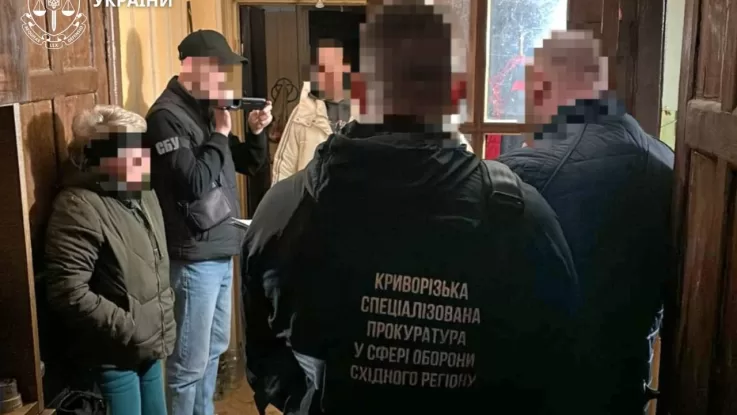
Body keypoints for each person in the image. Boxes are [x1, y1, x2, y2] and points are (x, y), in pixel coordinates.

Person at [241, 2, 580, 415]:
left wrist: (311, 401)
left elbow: (265, 363)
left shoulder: (284, 211)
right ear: (457, 93)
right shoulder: (521, 217)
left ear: (360, 90)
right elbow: (558, 371)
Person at [497, 30, 675, 414]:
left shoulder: (527, 173)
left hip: (543, 392)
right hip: (626, 388)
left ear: (545, 88)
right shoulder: (668, 161)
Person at [143, 29, 273, 415]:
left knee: (213, 352)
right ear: (193, 67)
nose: (223, 79)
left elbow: (248, 163)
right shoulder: (165, 117)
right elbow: (194, 183)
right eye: (218, 69)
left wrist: (255, 133)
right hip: (192, 257)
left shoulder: (204, 110)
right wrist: (220, 132)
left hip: (219, 249)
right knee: (188, 366)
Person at [43, 105, 174, 415]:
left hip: (149, 349)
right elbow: (68, 291)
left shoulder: (143, 193)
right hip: (112, 357)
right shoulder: (77, 205)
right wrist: (129, 327)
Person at [271, 39, 355, 185]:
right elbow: (284, 167)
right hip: (309, 198)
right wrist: (278, 199)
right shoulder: (303, 113)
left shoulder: (363, 113)